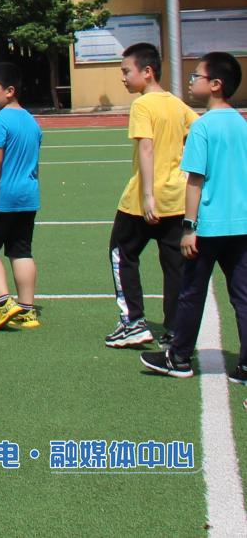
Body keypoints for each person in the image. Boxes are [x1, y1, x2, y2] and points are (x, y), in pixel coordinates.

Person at [142, 52, 247, 380]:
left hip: (209, 227)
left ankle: (180, 358)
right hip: (241, 225)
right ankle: (244, 365)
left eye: (196, 77)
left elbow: (195, 181)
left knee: (191, 292)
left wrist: (189, 227)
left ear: (215, 85)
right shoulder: (241, 123)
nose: (190, 81)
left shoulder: (202, 127)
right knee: (243, 296)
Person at [105, 42, 199, 349]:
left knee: (121, 252)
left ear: (147, 72)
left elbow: (145, 146)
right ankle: (174, 329)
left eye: (126, 71)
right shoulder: (175, 103)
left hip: (143, 199)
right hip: (176, 196)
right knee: (174, 265)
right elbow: (196, 130)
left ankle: (133, 321)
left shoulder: (142, 105)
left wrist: (147, 196)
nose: (123, 77)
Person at [0, 62, 43, 331]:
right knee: (21, 250)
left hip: (2, 198)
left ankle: (4, 302)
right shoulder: (31, 121)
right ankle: (27, 309)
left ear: (10, 91)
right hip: (27, 197)